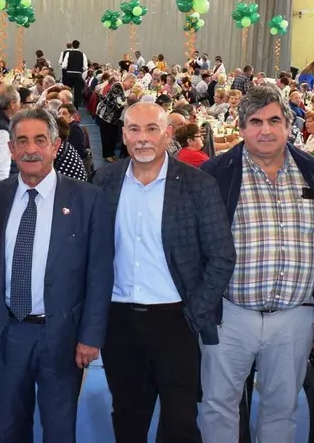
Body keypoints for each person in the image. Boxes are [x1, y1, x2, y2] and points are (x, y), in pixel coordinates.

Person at [199, 84, 314, 443]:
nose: (266, 130)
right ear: (241, 127)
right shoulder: (216, 174)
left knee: (281, 409)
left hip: (294, 317)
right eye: (256, 121)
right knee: (217, 405)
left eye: (275, 120)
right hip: (230, 315)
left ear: (289, 126)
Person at [93, 103, 235, 443]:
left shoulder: (197, 184)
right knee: (127, 416)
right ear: (123, 135)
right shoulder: (104, 181)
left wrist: (194, 314)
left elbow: (221, 256)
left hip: (176, 321)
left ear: (168, 134)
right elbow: (92, 254)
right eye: (134, 130)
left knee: (180, 422)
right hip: (120, 322)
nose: (143, 139)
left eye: (151, 129)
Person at [0, 107, 115, 443]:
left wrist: (90, 336)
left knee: (59, 427)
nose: (30, 149)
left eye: (40, 140)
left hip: (62, 336)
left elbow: (99, 272)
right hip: (9, 331)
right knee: (10, 426)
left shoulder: (87, 198)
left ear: (55, 146)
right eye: (21, 141)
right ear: (10, 149)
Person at [61, 39, 87, 108]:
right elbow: (85, 67)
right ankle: (76, 107)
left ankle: (66, 104)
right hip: (78, 74)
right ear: (79, 45)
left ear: (72, 45)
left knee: (68, 90)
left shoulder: (68, 53)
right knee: (77, 92)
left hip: (69, 74)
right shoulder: (82, 54)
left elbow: (64, 65)